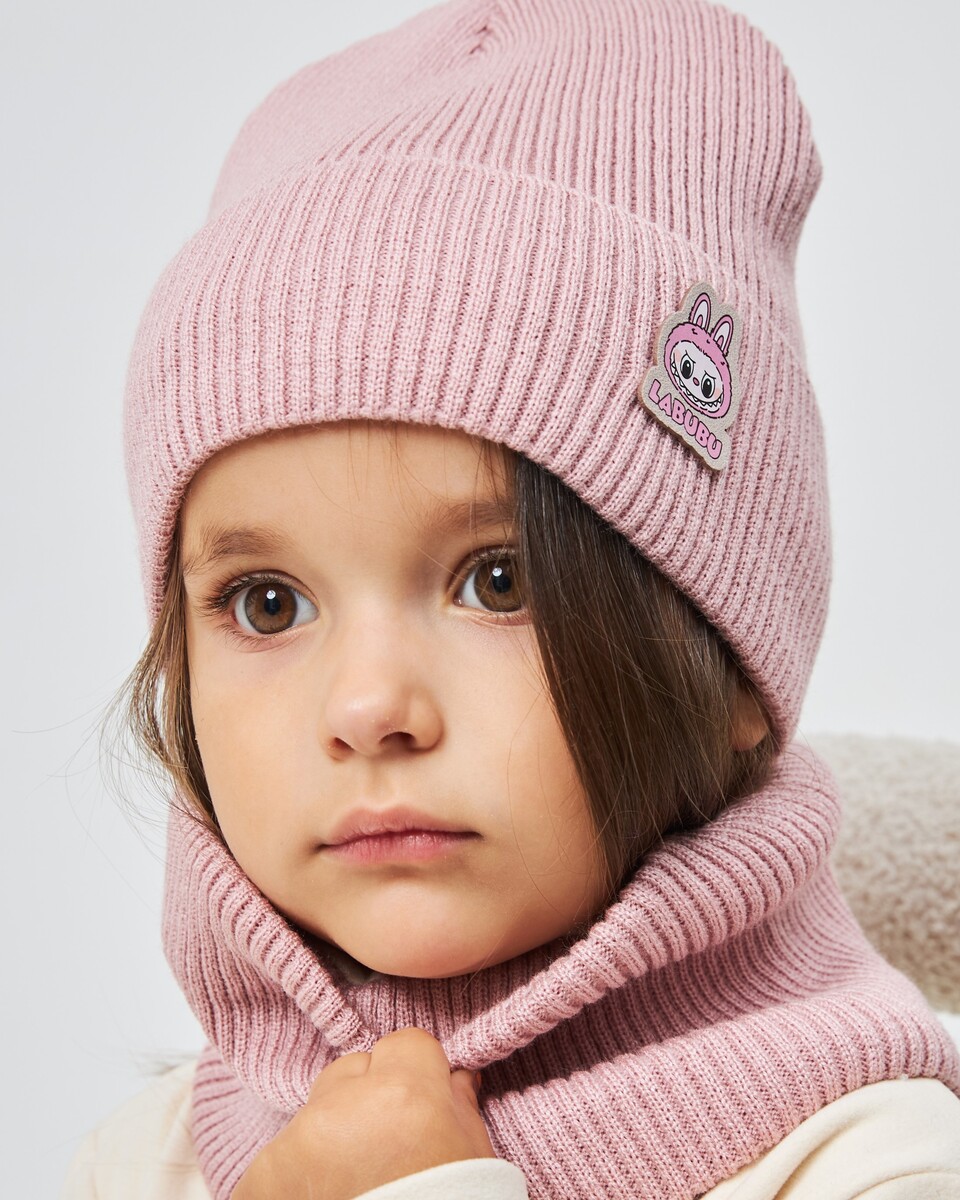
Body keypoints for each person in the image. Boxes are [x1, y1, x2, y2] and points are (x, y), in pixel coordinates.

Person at [62, 0, 960, 1196]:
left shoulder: (870, 1159)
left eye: (498, 582)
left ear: (734, 661)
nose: (369, 708)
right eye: (268, 604)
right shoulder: (150, 1161)